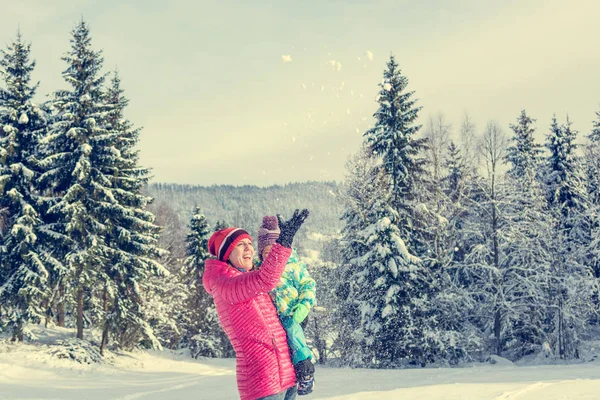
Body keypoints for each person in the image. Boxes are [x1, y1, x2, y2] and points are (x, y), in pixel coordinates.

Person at [203, 209, 309, 400]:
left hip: (284, 377)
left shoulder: (245, 281)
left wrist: (297, 320)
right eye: (241, 245)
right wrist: (283, 242)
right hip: (263, 383)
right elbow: (266, 279)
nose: (249, 249)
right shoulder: (225, 284)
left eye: (250, 244)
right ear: (227, 254)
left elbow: (273, 327)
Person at [258, 216, 316, 396]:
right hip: (272, 320)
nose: (269, 257)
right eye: (265, 253)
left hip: (290, 313)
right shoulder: (260, 271)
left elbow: (308, 284)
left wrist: (304, 306)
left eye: (272, 251)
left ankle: (305, 370)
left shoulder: (293, 266)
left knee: (293, 333)